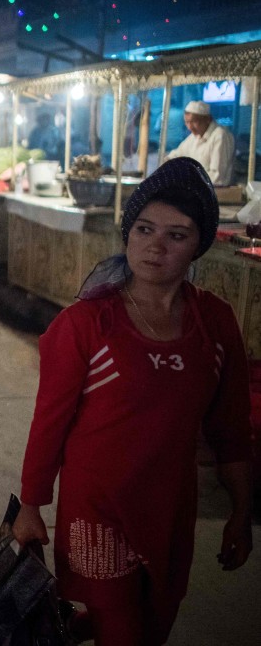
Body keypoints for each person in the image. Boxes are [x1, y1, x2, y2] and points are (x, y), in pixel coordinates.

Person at [13, 157, 253, 645]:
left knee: (154, 623)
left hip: (169, 511)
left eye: (177, 235)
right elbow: (49, 422)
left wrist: (242, 511)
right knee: (123, 631)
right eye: (145, 229)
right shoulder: (86, 324)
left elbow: (231, 428)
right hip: (95, 512)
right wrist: (32, 505)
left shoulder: (215, 323)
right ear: (128, 233)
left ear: (198, 246)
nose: (155, 246)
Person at [166, 100, 235, 186]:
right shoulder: (194, 137)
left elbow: (217, 177)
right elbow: (177, 154)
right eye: (187, 122)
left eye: (194, 122)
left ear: (207, 120)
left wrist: (187, 178)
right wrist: (167, 162)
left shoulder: (220, 136)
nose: (190, 127)